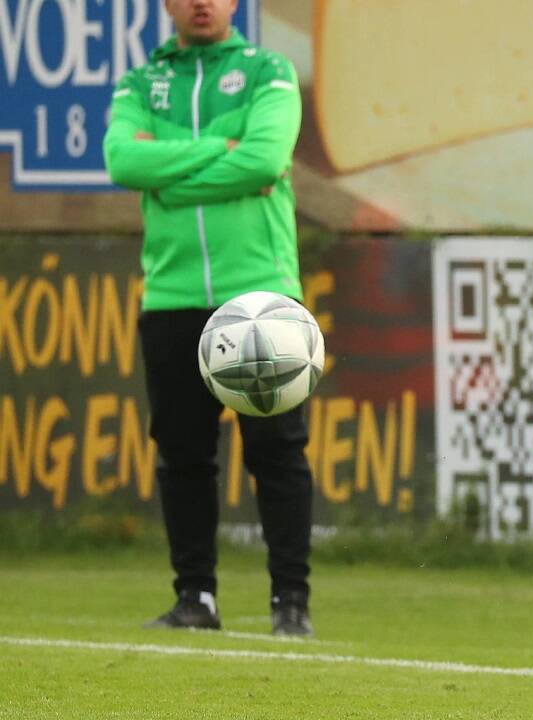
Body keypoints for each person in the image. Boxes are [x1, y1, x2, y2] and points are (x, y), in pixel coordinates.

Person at [104, 0, 314, 636]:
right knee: (182, 455)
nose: (202, 2)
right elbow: (121, 162)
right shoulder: (141, 83)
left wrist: (168, 173)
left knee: (277, 453)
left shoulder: (268, 71)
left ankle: (291, 604)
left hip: (261, 298)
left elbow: (265, 160)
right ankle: (196, 598)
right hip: (171, 296)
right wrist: (221, 147)